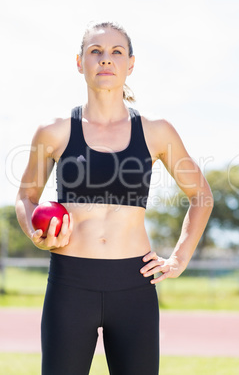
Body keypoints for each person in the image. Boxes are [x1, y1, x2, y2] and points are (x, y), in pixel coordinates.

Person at [15, 21, 213, 375]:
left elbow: (201, 195)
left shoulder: (156, 131)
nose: (106, 59)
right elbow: (26, 196)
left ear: (130, 64)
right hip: (70, 284)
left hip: (134, 284)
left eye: (116, 52)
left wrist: (180, 257)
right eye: (96, 52)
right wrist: (34, 231)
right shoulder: (54, 131)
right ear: (79, 62)